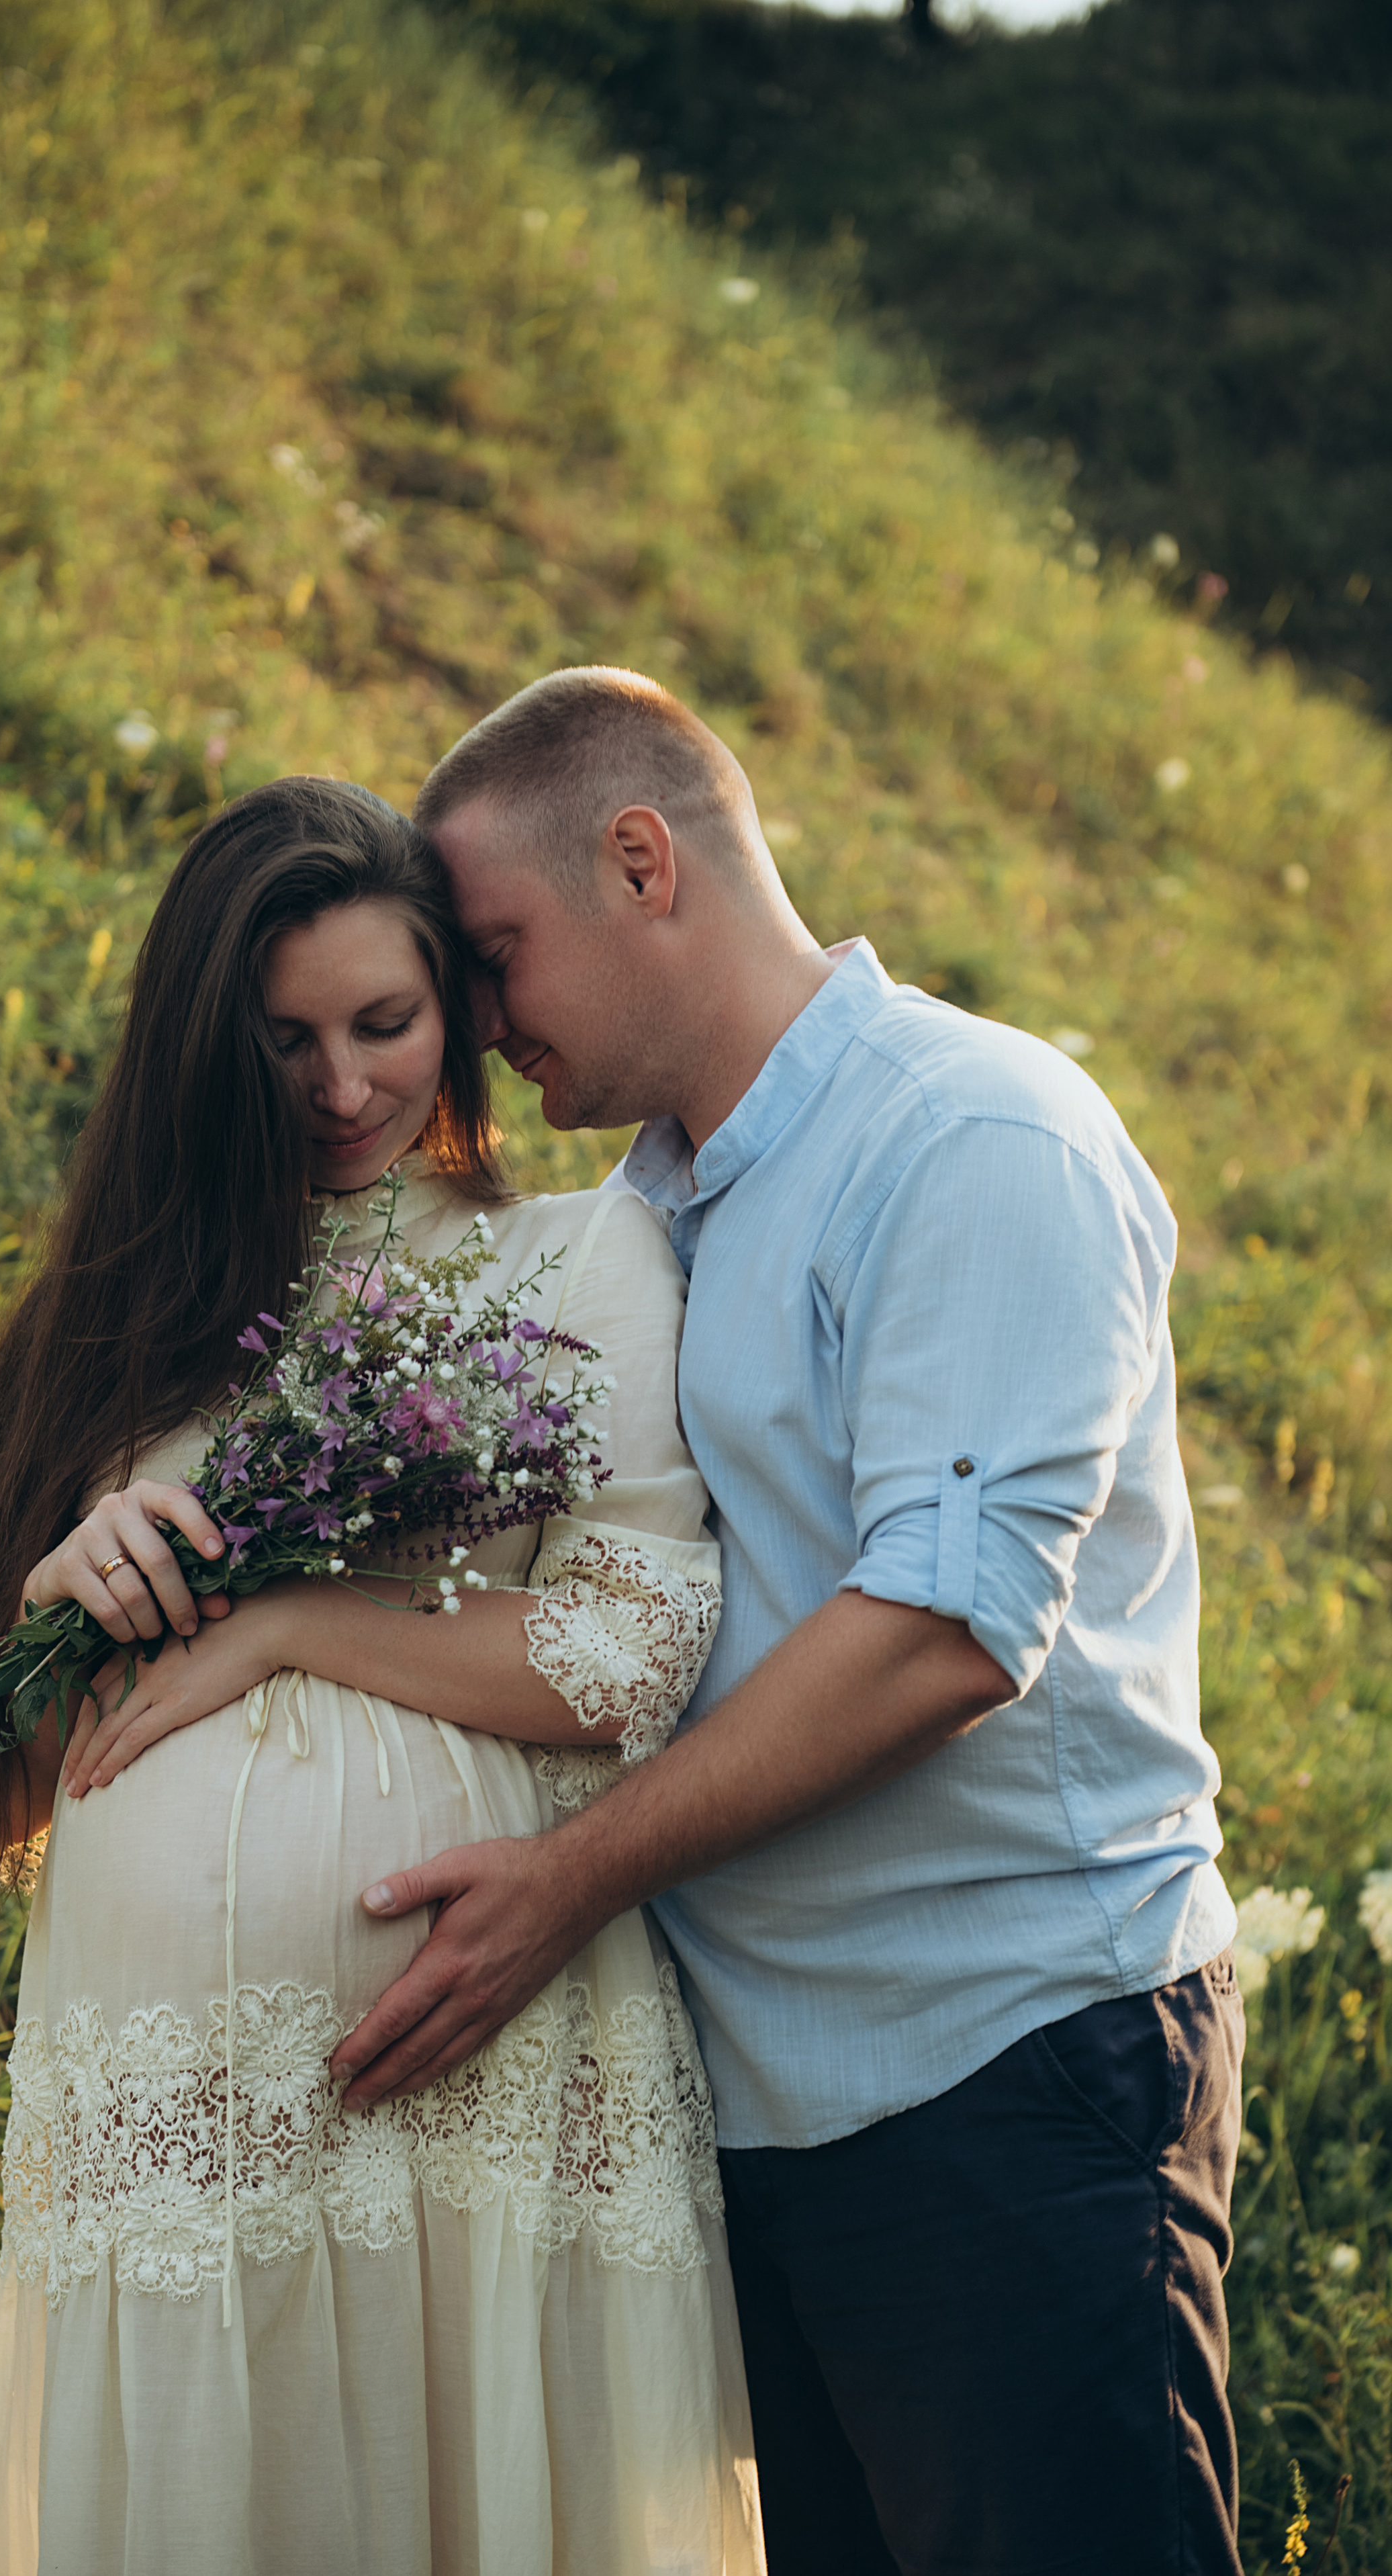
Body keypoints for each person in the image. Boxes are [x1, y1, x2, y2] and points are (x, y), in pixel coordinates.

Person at [328, 671, 1247, 2576]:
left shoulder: (972, 1135)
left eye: (492, 957)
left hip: (1012, 2071)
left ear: (641, 862)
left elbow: (943, 1631)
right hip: (773, 2116)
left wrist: (570, 1880)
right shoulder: (655, 1215)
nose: (480, 1025)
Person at [0, 779, 764, 2576]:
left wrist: (281, 1620)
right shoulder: (123, 1319)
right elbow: (27, 1774)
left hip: (485, 2092)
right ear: (204, 1048)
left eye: (384, 1021)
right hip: (180, 2127)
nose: (343, 1085)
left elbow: (630, 1653)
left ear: (457, 1010)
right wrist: (62, 1599)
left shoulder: (574, 1258)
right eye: (284, 1041)